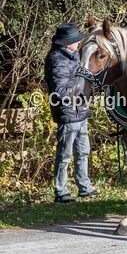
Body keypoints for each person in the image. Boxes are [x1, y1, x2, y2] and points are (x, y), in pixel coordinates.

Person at [44, 23, 97, 203]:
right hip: (68, 113)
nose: (79, 42)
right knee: (65, 154)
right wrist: (82, 94)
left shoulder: (71, 57)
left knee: (83, 151)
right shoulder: (56, 60)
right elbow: (59, 91)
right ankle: (61, 191)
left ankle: (84, 187)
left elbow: (78, 78)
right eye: (76, 40)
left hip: (80, 111)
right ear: (68, 43)